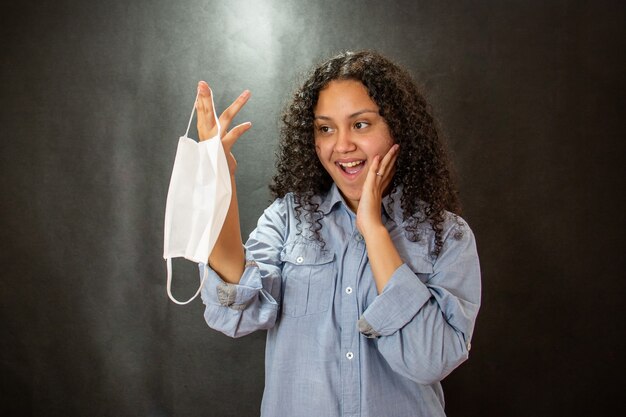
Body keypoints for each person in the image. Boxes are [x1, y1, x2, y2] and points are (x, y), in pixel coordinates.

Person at [194, 50, 481, 417]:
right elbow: (239, 309)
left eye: (360, 124)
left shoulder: (447, 235)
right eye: (325, 128)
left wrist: (373, 229)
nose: (341, 145)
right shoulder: (289, 218)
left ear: (398, 126)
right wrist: (220, 182)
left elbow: (429, 360)